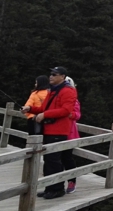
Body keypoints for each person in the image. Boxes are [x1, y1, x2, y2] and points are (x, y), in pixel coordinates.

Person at [21, 66, 77, 200]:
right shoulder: (53, 91)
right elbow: (44, 108)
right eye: (50, 74)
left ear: (62, 76)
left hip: (58, 130)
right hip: (49, 129)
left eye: (54, 74)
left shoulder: (68, 91)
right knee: (48, 160)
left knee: (54, 161)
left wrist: (44, 114)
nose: (50, 76)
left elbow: (65, 110)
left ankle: (57, 189)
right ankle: (49, 188)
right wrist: (31, 108)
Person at [64, 76, 81, 194]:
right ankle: (56, 184)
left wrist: (65, 113)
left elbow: (77, 115)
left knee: (67, 158)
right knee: (55, 160)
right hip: (56, 132)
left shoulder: (74, 100)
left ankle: (72, 181)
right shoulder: (55, 97)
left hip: (68, 133)